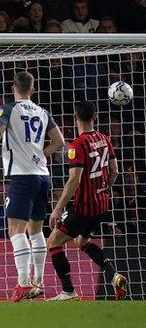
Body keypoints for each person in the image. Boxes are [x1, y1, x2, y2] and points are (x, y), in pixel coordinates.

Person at [0, 71, 65, 302]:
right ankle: (38, 282)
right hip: (42, 176)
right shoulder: (43, 111)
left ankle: (23, 283)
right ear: (33, 89)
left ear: (12, 88)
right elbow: (60, 141)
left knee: (15, 230)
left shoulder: (6, 109)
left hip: (22, 177)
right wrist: (41, 154)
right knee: (36, 231)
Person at [46, 101, 127, 301]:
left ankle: (68, 291)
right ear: (95, 118)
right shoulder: (104, 139)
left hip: (83, 208)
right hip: (101, 204)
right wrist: (106, 187)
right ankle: (114, 275)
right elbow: (115, 170)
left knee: (53, 243)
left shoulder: (77, 145)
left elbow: (74, 179)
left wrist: (58, 208)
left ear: (75, 119)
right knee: (81, 241)